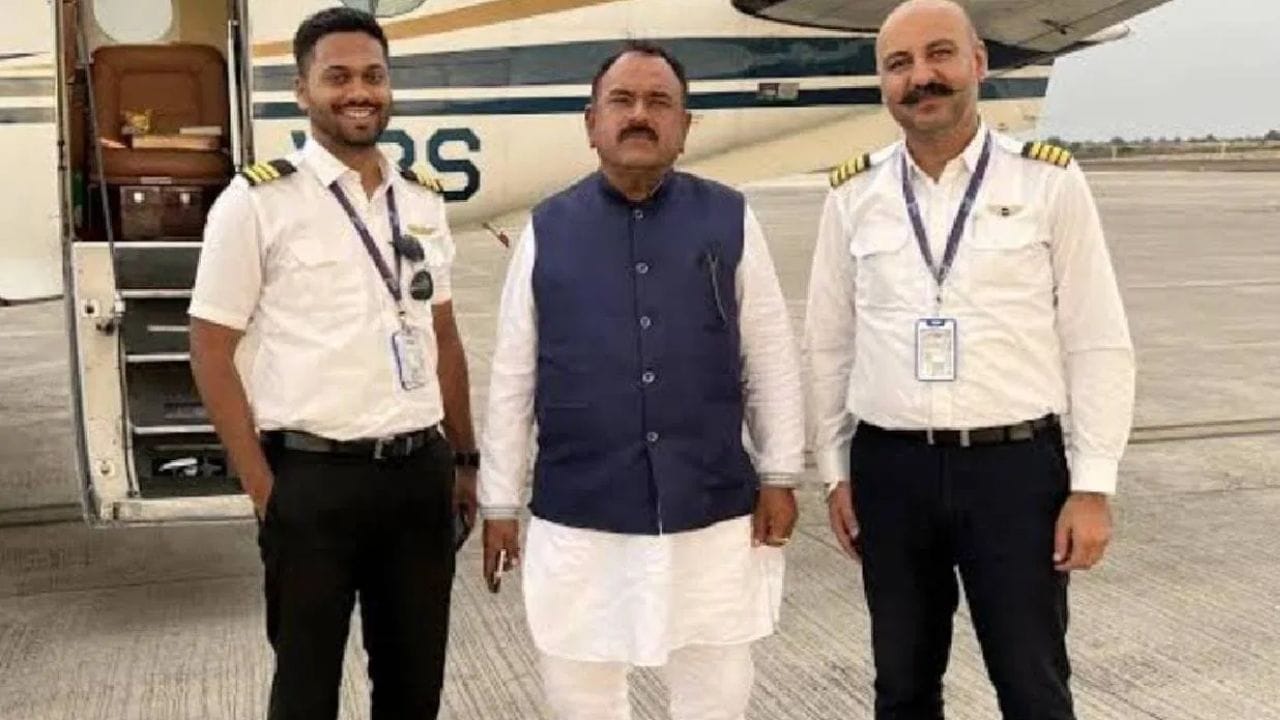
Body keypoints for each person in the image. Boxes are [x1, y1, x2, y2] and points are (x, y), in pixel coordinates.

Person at [803, 1, 1136, 718]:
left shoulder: (1046, 181)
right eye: (899, 64)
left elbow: (1097, 338)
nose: (921, 77)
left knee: (1033, 686)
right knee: (902, 688)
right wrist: (835, 472)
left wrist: (1093, 485)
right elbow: (828, 345)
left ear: (978, 62)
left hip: (1014, 473)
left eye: (939, 54)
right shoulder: (854, 195)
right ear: (882, 82)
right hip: (891, 470)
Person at [477, 41, 805, 720]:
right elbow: (513, 377)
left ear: (685, 126)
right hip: (583, 509)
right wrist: (500, 505)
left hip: (708, 505)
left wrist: (780, 472)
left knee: (716, 686)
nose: (639, 115)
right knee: (581, 688)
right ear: (591, 122)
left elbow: (769, 355)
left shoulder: (731, 218)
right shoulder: (546, 229)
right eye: (621, 101)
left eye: (659, 102)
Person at [187, 8, 478, 719]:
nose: (359, 92)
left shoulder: (421, 200)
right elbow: (210, 347)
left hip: (417, 477)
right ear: (302, 90)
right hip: (312, 481)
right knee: (305, 694)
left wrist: (465, 459)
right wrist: (264, 489)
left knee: (413, 693)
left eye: (374, 76)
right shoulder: (258, 201)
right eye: (338, 77)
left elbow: (442, 338)